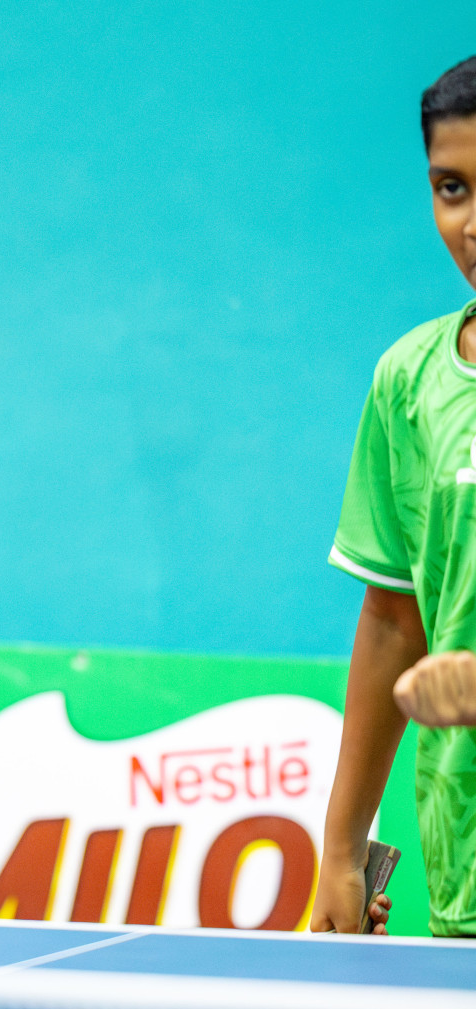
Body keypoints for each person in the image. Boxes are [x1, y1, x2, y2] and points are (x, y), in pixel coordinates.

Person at [315, 55, 476, 938]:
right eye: (451, 187)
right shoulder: (409, 380)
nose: (472, 223)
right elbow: (392, 621)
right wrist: (343, 851)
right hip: (463, 868)